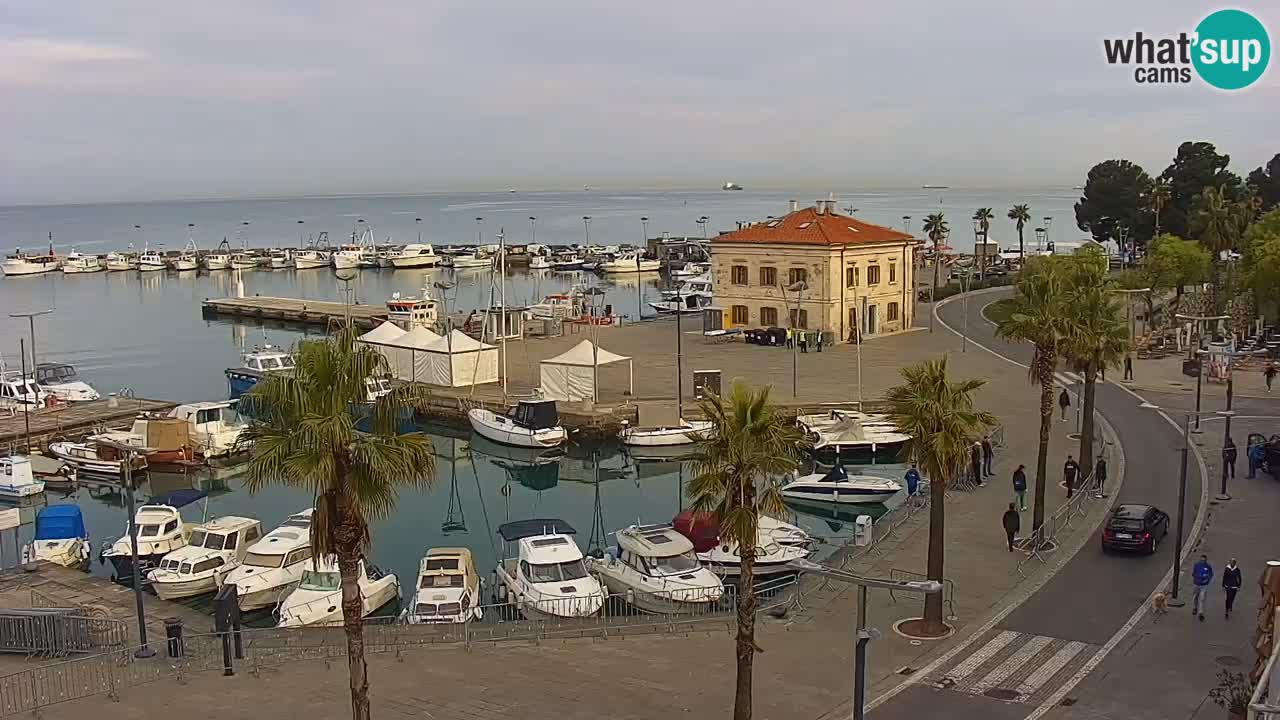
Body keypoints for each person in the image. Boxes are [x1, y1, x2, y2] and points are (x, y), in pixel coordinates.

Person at [1192, 555, 1214, 621]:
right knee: (1195, 597)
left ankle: (1200, 613)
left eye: (1204, 560)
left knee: (1202, 598)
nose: (1202, 561)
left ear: (1206, 560)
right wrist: (1196, 579)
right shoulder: (1196, 565)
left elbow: (1211, 574)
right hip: (1196, 584)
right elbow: (1193, 573)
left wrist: (1207, 580)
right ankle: (1195, 608)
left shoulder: (1208, 566)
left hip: (1204, 585)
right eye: (1201, 560)